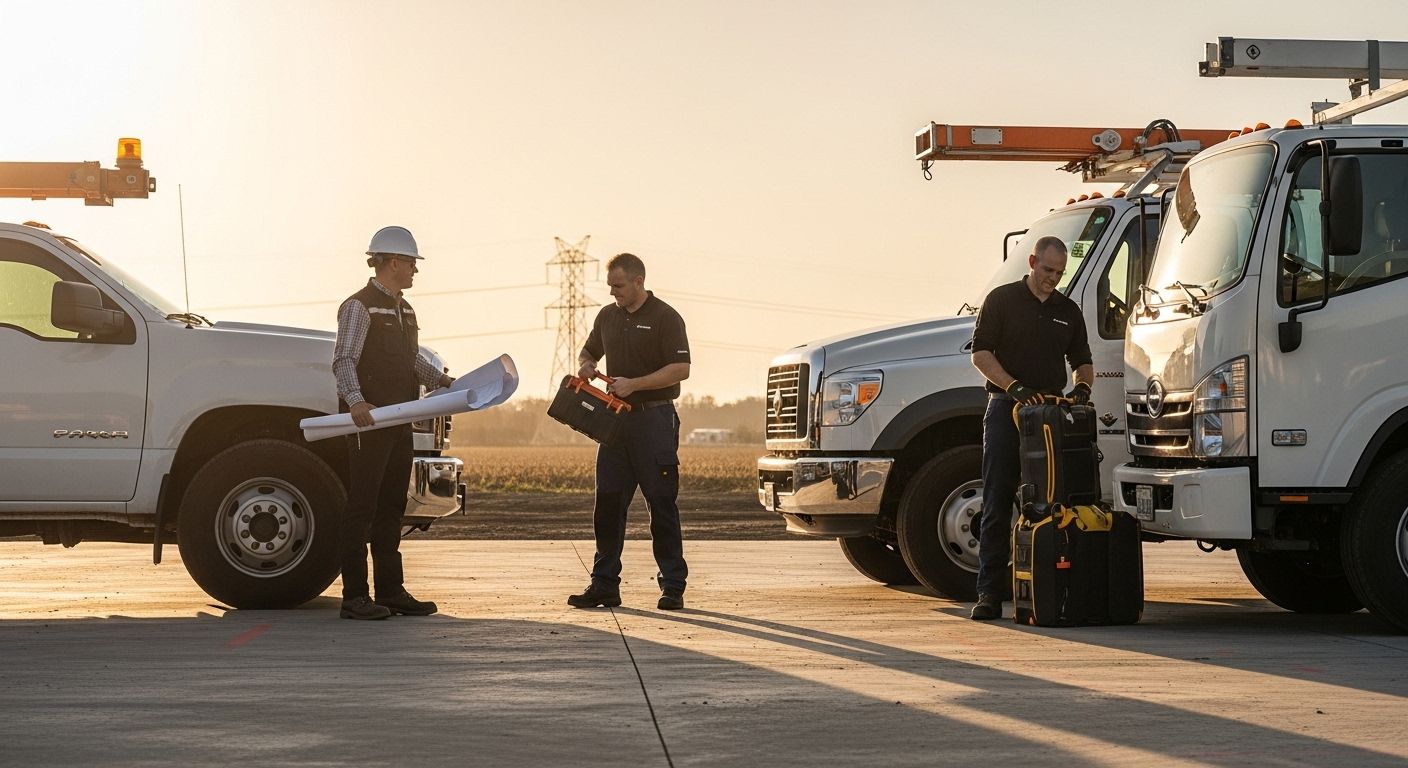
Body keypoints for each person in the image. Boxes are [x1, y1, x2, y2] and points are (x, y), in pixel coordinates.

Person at [968, 235, 1094, 621]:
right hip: (1007, 408)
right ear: (1032, 261)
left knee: (1054, 501)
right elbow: (980, 353)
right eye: (1046, 270)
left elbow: (1082, 359)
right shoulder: (1002, 300)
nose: (1051, 279)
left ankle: (1053, 589)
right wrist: (1014, 388)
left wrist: (1083, 388)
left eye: (1058, 273)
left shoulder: (1067, 310)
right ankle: (990, 595)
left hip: (1050, 416)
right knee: (997, 500)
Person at [332, 225, 454, 620]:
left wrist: (443, 381)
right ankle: (354, 597)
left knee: (390, 507)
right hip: (369, 423)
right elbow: (344, 359)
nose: (416, 271)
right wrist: (355, 401)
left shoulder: (405, 310)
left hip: (400, 420)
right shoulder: (359, 307)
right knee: (362, 506)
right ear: (394, 262)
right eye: (412, 264)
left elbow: (410, 361)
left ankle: (390, 591)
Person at [567, 252, 692, 611]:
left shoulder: (666, 318)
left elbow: (681, 368)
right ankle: (604, 584)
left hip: (654, 421)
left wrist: (635, 384)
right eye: (610, 286)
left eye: (619, 286)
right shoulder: (608, 316)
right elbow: (587, 352)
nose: (613, 293)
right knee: (607, 504)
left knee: (661, 503)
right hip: (615, 422)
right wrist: (588, 366)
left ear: (639, 281)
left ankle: (672, 585)